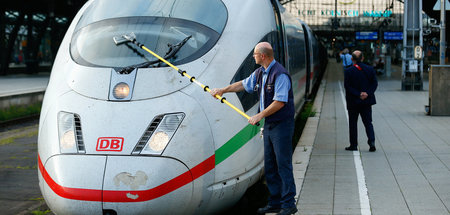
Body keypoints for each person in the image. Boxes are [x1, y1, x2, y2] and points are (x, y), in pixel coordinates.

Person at [210, 42, 297, 215]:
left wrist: (259, 115)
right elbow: (242, 84)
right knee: (270, 165)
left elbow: (280, 102)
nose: (253, 57)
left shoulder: (280, 75)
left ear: (263, 56)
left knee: (283, 165)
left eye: (255, 54)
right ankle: (275, 202)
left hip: (282, 126)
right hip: (270, 126)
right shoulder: (260, 73)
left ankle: (288, 204)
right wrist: (223, 90)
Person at [343, 50, 378, 152]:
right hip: (366, 102)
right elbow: (374, 84)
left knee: (353, 123)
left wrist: (358, 94)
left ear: (352, 59)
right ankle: (372, 143)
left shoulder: (348, 71)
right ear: (362, 58)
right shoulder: (370, 69)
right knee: (368, 123)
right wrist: (367, 93)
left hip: (353, 102)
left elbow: (347, 86)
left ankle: (353, 145)